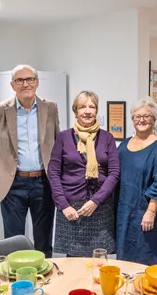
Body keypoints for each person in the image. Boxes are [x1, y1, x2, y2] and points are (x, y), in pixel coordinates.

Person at [0, 65, 61, 257]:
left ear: (37, 82)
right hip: (12, 184)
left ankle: (44, 281)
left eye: (30, 79)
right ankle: (17, 283)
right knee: (13, 242)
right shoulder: (0, 111)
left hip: (43, 183)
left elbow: (58, 143)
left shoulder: (50, 108)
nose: (25, 84)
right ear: (12, 85)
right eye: (20, 80)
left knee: (43, 241)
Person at [48, 91, 120, 256]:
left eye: (92, 106)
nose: (87, 111)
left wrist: (96, 200)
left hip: (100, 207)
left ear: (96, 110)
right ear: (75, 111)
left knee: (100, 260)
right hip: (71, 208)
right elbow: (53, 173)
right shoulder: (63, 137)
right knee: (73, 262)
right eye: (82, 107)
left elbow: (114, 173)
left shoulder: (107, 138)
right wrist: (63, 205)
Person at [116, 98, 157, 265]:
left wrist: (151, 212)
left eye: (146, 116)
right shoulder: (124, 146)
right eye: (137, 116)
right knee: (124, 263)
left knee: (145, 264)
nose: (141, 120)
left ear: (154, 119)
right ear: (132, 119)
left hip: (147, 215)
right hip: (125, 215)